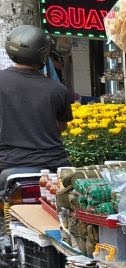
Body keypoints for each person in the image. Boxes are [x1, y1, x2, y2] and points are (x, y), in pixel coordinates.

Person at [0, 25, 73, 181]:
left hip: (7, 163)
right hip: (54, 165)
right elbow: (61, 126)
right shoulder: (58, 89)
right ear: (44, 54)